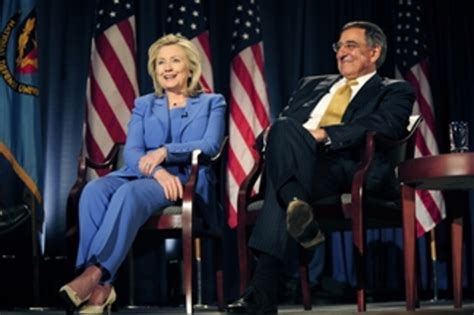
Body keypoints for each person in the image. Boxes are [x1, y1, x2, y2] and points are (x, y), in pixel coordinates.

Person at [226, 21, 415, 314]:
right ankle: (295, 206)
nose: (341, 52)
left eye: (350, 45)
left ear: (375, 52)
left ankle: (262, 288)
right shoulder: (311, 84)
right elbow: (283, 123)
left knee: (282, 179)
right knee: (284, 129)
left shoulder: (394, 89)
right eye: (338, 46)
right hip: (301, 164)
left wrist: (326, 133)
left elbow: (386, 125)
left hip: (347, 167)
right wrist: (276, 136)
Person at [59, 34, 226, 313]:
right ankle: (101, 288)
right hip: (147, 174)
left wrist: (165, 152)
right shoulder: (145, 103)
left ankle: (93, 275)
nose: (167, 68)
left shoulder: (211, 102)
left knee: (128, 193)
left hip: (186, 179)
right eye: (161, 62)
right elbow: (134, 151)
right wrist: (159, 172)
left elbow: (209, 145)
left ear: (190, 68)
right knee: (93, 190)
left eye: (175, 61)